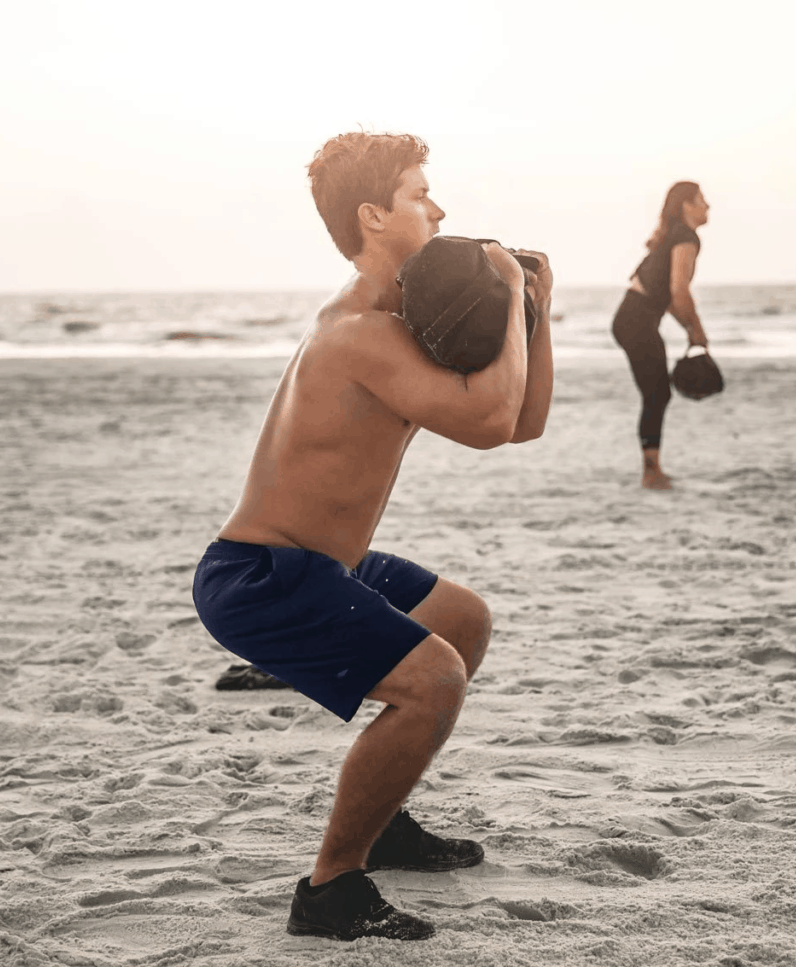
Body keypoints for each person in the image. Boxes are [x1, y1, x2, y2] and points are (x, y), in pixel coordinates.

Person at [192, 131, 553, 942]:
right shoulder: (360, 332)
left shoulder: (399, 318)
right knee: (435, 681)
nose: (440, 207)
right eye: (421, 194)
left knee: (463, 620)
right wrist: (500, 279)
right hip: (261, 576)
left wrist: (537, 308)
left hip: (326, 565)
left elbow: (521, 423)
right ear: (373, 215)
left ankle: (385, 822)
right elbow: (494, 421)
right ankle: (329, 890)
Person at [611, 181, 710, 489]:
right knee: (657, 394)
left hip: (633, 318)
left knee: (657, 394)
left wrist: (691, 331)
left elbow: (667, 298)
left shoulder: (674, 236)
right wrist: (698, 331)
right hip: (635, 321)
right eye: (702, 200)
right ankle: (650, 473)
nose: (708, 206)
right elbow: (679, 293)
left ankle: (652, 470)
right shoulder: (686, 237)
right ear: (687, 206)